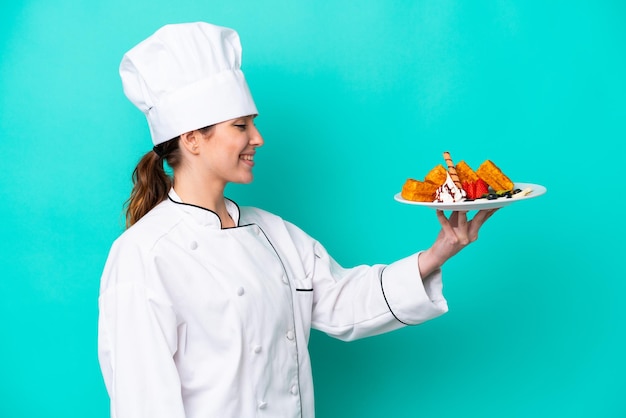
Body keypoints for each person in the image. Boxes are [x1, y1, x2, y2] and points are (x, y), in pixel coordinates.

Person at [97, 22, 497, 418]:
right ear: (192, 139)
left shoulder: (272, 232)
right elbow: (143, 404)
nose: (258, 138)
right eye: (241, 125)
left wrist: (438, 253)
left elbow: (343, 302)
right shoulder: (144, 255)